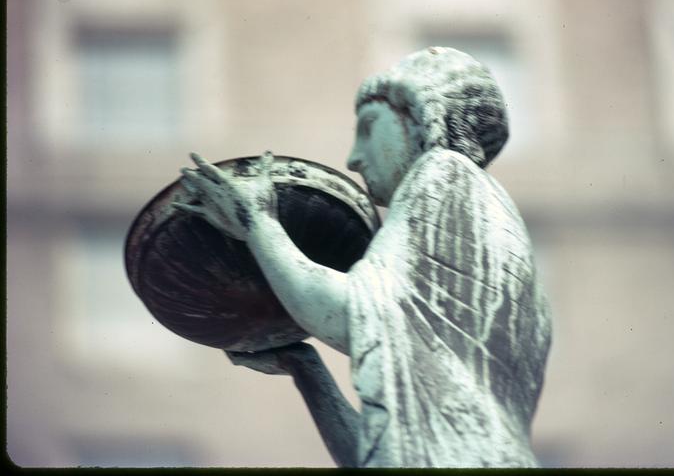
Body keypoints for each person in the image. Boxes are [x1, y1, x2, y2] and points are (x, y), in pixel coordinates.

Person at [175, 46, 552, 468]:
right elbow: (379, 456)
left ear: (419, 118)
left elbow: (348, 314)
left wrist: (256, 222)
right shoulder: (478, 220)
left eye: (370, 127)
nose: (354, 157)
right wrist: (306, 371)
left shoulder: (445, 173)